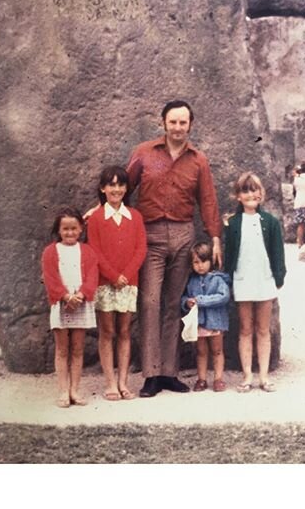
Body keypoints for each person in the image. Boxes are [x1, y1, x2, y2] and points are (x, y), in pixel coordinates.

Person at [126, 100, 222, 398]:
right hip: (151, 234)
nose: (178, 128)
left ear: (190, 125)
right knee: (150, 301)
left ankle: (169, 372)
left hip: (183, 234)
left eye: (183, 123)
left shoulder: (198, 160)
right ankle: (151, 374)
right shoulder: (144, 153)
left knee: (173, 303)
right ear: (163, 123)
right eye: (173, 122)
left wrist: (215, 236)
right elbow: (123, 188)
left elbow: (207, 200)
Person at [86, 166, 147, 401]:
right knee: (107, 331)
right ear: (103, 188)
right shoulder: (96, 218)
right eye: (111, 184)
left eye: (120, 184)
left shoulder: (135, 216)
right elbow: (94, 251)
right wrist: (113, 276)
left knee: (124, 331)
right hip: (105, 283)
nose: (116, 189)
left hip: (129, 283)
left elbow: (141, 249)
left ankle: (123, 382)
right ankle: (110, 383)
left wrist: (127, 274)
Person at [224, 172, 286, 393]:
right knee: (245, 329)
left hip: (264, 279)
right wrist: (228, 278)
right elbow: (229, 254)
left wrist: (279, 276)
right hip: (242, 280)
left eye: (254, 189)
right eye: (245, 190)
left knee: (263, 329)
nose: (251, 194)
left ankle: (264, 376)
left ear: (261, 193)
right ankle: (247, 375)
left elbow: (278, 252)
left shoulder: (270, 222)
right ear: (238, 196)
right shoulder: (232, 223)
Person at [41, 207, 98, 408]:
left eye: (74, 228)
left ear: (81, 229)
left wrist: (81, 294)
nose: (70, 233)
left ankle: (75, 390)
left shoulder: (87, 251)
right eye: (65, 229)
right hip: (61, 304)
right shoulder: (50, 252)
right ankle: (63, 391)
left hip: (81, 303)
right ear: (59, 230)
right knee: (62, 349)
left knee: (77, 349)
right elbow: (50, 278)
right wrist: (66, 296)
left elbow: (92, 276)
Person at [180, 241, 231, 393]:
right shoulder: (191, 280)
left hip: (216, 322)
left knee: (217, 350)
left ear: (211, 261)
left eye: (203, 261)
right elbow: (184, 297)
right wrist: (186, 303)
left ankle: (218, 378)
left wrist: (200, 300)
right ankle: (201, 379)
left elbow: (223, 296)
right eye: (196, 262)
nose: (200, 266)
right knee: (201, 351)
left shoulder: (217, 279)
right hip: (199, 322)